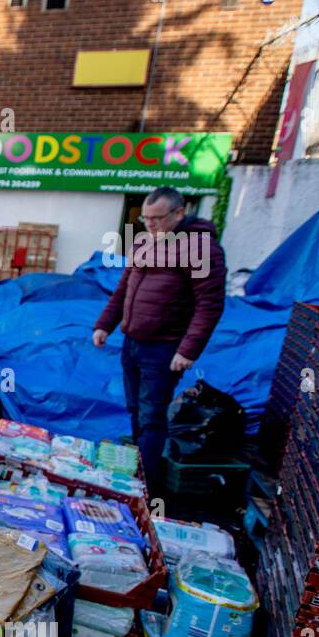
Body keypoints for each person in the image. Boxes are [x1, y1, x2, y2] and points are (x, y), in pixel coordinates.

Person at [92, 185, 227, 491]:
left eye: (157, 218)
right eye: (145, 219)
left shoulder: (201, 249)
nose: (150, 224)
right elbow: (123, 290)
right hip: (133, 343)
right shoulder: (144, 243)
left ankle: (145, 485)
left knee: (152, 415)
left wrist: (187, 350)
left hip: (165, 348)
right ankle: (137, 466)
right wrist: (104, 325)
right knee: (135, 409)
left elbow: (210, 305)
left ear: (179, 213)